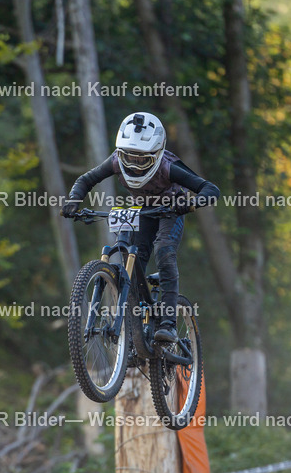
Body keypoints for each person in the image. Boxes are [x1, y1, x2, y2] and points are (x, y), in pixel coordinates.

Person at [62, 112, 220, 343]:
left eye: (142, 159)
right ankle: (136, 327)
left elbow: (210, 189)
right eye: (129, 158)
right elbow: (85, 180)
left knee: (164, 251)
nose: (134, 165)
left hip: (171, 210)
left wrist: (191, 203)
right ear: (120, 153)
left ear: (156, 154)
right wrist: (74, 200)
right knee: (134, 259)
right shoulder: (115, 160)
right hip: (143, 209)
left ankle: (168, 324)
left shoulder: (169, 167)